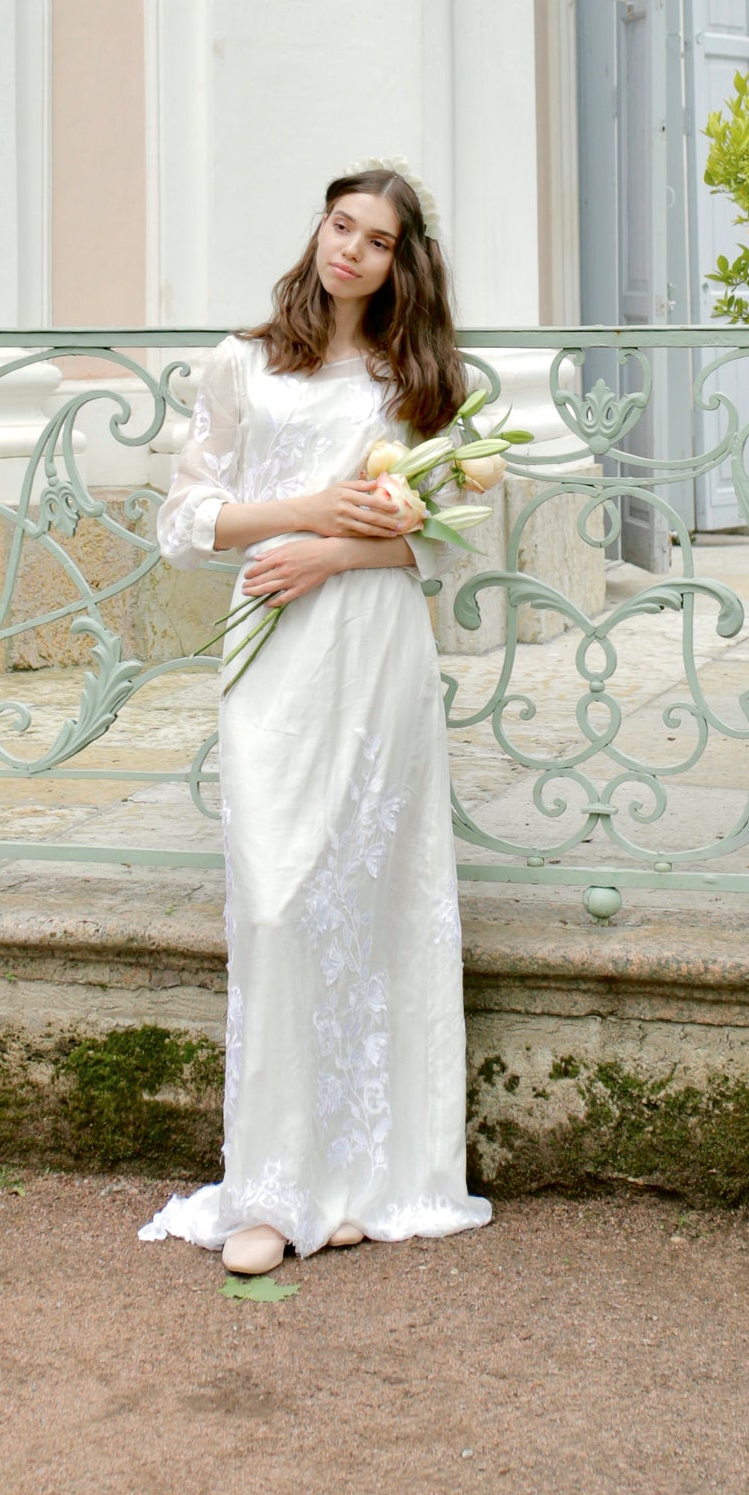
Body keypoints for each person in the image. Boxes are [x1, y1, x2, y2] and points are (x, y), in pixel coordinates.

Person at [138, 164, 493, 1274]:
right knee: (280, 899)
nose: (350, 250)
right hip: (276, 660)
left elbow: (453, 540)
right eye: (341, 226)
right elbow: (185, 520)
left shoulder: (421, 378)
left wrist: (339, 548)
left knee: (371, 899)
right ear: (319, 230)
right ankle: (269, 1190)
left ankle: (362, 1179)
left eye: (378, 240)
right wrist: (299, 514)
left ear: (403, 262)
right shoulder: (243, 359)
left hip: (375, 649)